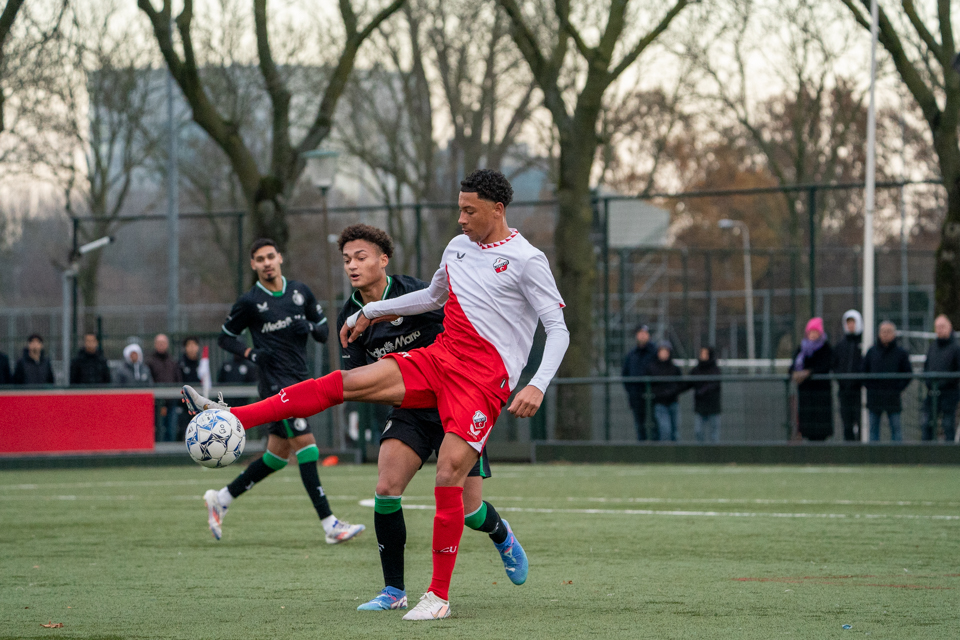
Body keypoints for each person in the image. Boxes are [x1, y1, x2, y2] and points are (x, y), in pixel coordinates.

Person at [183, 169, 569, 621]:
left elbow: (558, 329)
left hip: (483, 383)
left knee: (451, 481)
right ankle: (234, 417)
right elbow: (432, 296)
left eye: (469, 210)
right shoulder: (458, 248)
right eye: (458, 208)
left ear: (498, 210)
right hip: (439, 359)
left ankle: (439, 596)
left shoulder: (527, 259)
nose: (460, 218)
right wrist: (372, 311)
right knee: (344, 385)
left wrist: (537, 384)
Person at [335, 223, 527, 612]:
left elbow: (463, 325)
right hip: (409, 409)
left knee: (471, 510)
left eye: (361, 257)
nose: (353, 266)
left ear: (383, 259)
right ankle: (393, 591)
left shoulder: (417, 292)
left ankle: (501, 534)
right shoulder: (350, 317)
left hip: (457, 401)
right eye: (346, 260)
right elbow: (356, 380)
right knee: (386, 488)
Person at [202, 238, 363, 545]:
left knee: (276, 457)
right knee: (308, 447)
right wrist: (251, 354)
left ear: (280, 259)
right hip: (275, 384)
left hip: (301, 380)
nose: (266, 263)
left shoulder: (300, 292)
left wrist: (310, 329)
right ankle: (330, 525)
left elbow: (324, 331)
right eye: (260, 259)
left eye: (270, 257)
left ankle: (221, 498)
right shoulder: (249, 302)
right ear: (253, 265)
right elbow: (225, 338)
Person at [862, 321, 912, 442]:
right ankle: (873, 458)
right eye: (883, 331)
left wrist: (898, 388)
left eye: (889, 331)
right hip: (875, 397)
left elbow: (908, 373)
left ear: (894, 334)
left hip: (893, 397)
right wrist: (871, 387)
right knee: (873, 429)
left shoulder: (900, 353)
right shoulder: (872, 352)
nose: (885, 334)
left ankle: (897, 458)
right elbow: (863, 372)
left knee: (896, 429)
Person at [789, 318, 834, 441]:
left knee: (820, 426)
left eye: (815, 332)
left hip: (820, 394)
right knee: (807, 426)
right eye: (811, 332)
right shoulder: (801, 349)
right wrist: (795, 373)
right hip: (805, 395)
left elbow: (826, 365)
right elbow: (792, 367)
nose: (813, 335)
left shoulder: (825, 348)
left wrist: (808, 372)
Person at [920, 315, 960, 441]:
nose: (940, 330)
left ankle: (949, 456)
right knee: (927, 423)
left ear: (949, 327)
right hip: (932, 393)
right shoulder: (933, 346)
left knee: (948, 424)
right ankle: (926, 455)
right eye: (937, 327)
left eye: (942, 326)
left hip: (949, 393)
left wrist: (946, 383)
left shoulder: (956, 347)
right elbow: (926, 367)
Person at [832, 310, 863, 441]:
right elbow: (835, 365)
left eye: (853, 323)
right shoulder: (840, 346)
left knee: (861, 422)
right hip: (844, 391)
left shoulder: (864, 343)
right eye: (848, 323)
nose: (851, 326)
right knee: (847, 422)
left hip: (859, 391)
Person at [622, 324, 657, 440]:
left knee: (654, 424)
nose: (642, 336)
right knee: (640, 425)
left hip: (653, 396)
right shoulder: (632, 354)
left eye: (644, 333)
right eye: (640, 333)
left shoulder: (654, 353)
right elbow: (625, 374)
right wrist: (631, 391)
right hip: (636, 396)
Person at [146, 333, 181, 442]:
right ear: (155, 344)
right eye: (159, 343)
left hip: (171, 402)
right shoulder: (150, 362)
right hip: (157, 403)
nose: (161, 345)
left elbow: (178, 380)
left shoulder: (173, 361)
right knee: (158, 431)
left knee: (172, 430)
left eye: (163, 343)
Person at [647, 340, 684, 441]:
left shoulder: (675, 368)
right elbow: (651, 385)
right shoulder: (652, 367)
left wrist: (672, 392)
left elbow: (680, 384)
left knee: (675, 432)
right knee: (665, 430)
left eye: (666, 351)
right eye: (661, 351)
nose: (664, 353)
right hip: (660, 403)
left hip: (673, 402)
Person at [688, 346, 721, 443]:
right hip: (700, 406)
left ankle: (714, 455)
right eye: (701, 353)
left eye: (705, 353)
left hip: (713, 406)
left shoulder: (715, 370)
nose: (702, 356)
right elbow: (687, 383)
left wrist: (702, 391)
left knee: (714, 434)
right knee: (698, 431)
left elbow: (713, 384)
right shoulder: (696, 370)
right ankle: (700, 454)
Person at [176, 337, 203, 441]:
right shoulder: (180, 364)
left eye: (194, 345)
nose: (192, 348)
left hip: (199, 404)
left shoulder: (202, 364)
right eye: (189, 345)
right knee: (185, 430)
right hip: (184, 405)